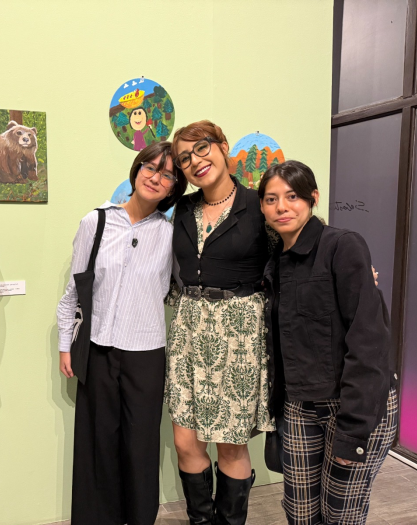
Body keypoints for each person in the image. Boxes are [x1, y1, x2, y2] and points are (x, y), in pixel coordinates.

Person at [258, 160, 398, 525]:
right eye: (271, 199)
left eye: (292, 196)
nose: (282, 207)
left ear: (313, 198)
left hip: (351, 403)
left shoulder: (342, 246)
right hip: (299, 405)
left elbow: (369, 340)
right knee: (300, 513)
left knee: (340, 514)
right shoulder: (273, 262)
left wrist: (354, 429)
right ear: (262, 207)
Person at [56, 141, 187, 525]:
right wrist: (65, 344)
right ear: (137, 169)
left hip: (147, 354)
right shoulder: (95, 223)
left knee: (140, 447)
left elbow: (182, 288)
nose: (156, 177)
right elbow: (74, 291)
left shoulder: (171, 235)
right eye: (150, 167)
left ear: (173, 188)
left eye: (167, 175)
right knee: (97, 445)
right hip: (98, 349)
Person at [165, 120, 275, 525]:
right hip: (188, 329)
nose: (195, 160)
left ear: (223, 146)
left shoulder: (257, 204)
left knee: (230, 445)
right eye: (185, 158)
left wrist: (346, 270)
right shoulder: (182, 209)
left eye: (202, 147)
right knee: (185, 440)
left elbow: (294, 248)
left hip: (239, 332)